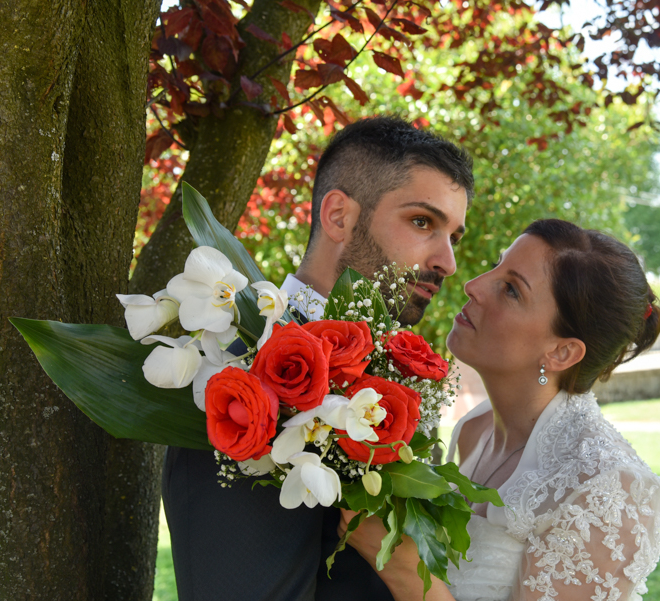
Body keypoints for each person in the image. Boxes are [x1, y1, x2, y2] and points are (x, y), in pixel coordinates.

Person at [161, 115, 474, 601]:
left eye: (453, 236)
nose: (447, 262)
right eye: (422, 222)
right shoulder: (237, 377)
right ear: (338, 217)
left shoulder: (397, 378)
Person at [340, 219, 660, 601]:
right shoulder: (474, 430)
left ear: (562, 352)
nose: (473, 285)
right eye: (497, 266)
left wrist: (400, 567)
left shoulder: (611, 491)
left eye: (512, 290)